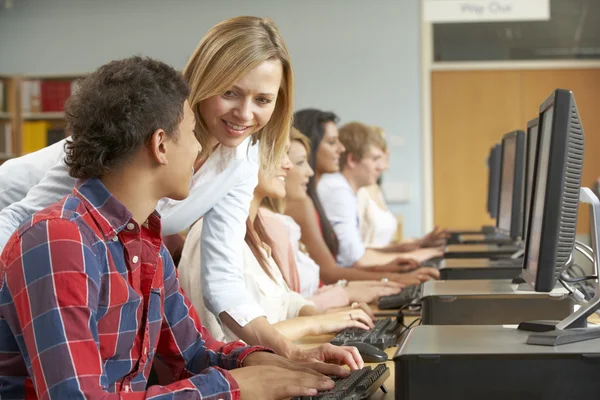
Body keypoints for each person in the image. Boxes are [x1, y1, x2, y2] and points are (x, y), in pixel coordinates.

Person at [0, 16, 358, 366]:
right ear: (206, 80)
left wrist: (288, 352)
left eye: (262, 100)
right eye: (230, 92)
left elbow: (221, 279)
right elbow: (20, 219)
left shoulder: (241, 161)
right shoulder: (138, 123)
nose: (245, 114)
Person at [179, 134, 375, 342]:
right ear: (243, 158)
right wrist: (315, 324)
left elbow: (286, 301)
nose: (288, 165)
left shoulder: (255, 233)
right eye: (278, 153)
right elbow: (225, 345)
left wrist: (330, 318)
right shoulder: (207, 237)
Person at [287, 109, 439, 286]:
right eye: (331, 142)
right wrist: (394, 277)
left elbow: (338, 262)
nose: (341, 149)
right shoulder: (309, 199)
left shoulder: (315, 195)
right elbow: (331, 271)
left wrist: (388, 267)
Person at [260, 128, 405, 310]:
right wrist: (349, 291)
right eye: (301, 162)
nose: (340, 149)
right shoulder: (277, 218)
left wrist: (351, 289)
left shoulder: (286, 219)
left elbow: (301, 297)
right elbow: (287, 308)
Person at [317, 121, 443, 267]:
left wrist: (409, 249)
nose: (383, 166)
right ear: (352, 160)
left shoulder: (347, 189)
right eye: (375, 159)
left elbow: (357, 252)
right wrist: (417, 255)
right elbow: (355, 260)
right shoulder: (337, 189)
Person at [357, 125, 447, 250]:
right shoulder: (360, 193)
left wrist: (419, 243)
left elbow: (384, 244)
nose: (384, 163)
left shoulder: (377, 190)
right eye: (378, 156)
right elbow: (358, 253)